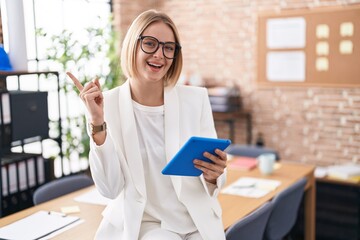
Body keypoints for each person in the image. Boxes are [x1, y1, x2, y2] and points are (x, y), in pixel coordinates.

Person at [67, 9, 227, 240]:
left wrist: (214, 174)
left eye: (168, 47)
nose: (159, 55)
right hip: (143, 222)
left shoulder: (196, 99)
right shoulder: (105, 105)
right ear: (133, 44)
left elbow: (213, 177)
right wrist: (97, 123)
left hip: (195, 218)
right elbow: (110, 189)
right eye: (150, 43)